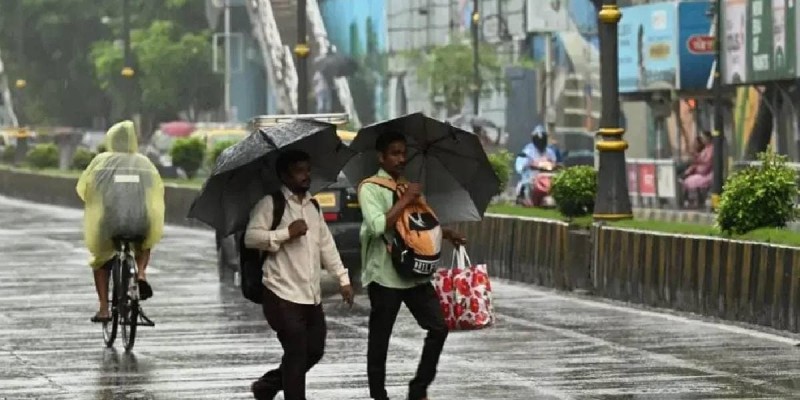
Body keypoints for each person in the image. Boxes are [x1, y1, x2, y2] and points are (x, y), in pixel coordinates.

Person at [358, 131, 466, 400]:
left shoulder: (408, 186)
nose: (401, 158)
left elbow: (422, 224)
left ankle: (418, 389)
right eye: (395, 153)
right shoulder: (369, 188)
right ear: (381, 157)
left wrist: (447, 233)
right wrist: (405, 199)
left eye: (404, 153)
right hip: (384, 273)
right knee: (380, 338)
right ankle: (378, 394)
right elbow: (378, 225)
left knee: (438, 327)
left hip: (415, 273)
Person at [245, 149, 354, 400]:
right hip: (280, 292)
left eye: (307, 170)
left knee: (314, 350)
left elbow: (326, 245)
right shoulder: (270, 204)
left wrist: (343, 279)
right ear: (284, 175)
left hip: (310, 295)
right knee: (296, 352)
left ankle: (268, 386)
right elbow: (251, 238)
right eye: (299, 171)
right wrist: (285, 233)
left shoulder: (313, 205)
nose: (306, 176)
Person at [76, 120, 165, 323]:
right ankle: (141, 273)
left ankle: (104, 309)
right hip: (139, 221)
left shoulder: (101, 163)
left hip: (109, 223)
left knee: (100, 261)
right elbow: (156, 191)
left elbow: (85, 190)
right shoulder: (144, 164)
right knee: (144, 243)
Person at [515, 125, 558, 205]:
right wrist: (528, 165)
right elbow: (520, 164)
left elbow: (554, 162)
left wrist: (555, 165)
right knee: (526, 183)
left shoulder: (550, 152)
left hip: (546, 174)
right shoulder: (528, 151)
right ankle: (522, 197)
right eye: (538, 140)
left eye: (542, 140)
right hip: (532, 175)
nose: (540, 142)